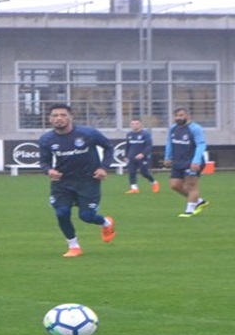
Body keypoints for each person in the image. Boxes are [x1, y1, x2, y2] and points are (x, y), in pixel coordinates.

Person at [37, 103, 117, 257]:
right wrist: (49, 170)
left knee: (86, 216)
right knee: (62, 212)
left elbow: (109, 147)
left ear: (71, 117)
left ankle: (106, 223)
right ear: (49, 119)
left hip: (88, 180)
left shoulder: (88, 133)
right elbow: (44, 161)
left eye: (63, 115)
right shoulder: (46, 139)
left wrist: (103, 167)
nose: (59, 118)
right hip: (62, 182)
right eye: (55, 115)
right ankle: (74, 246)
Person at [165, 108, 209, 217]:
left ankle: (189, 210)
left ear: (188, 116)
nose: (178, 118)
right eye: (176, 116)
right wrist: (168, 157)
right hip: (178, 161)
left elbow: (201, 145)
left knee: (191, 185)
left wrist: (196, 161)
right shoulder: (173, 128)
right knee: (175, 185)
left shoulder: (195, 129)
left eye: (181, 115)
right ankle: (199, 201)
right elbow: (169, 143)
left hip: (192, 161)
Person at [123, 118, 158, 194]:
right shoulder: (129, 134)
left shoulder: (145, 134)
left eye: (136, 123)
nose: (134, 125)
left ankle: (154, 182)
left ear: (140, 124)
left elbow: (149, 146)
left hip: (143, 157)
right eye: (132, 124)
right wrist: (126, 156)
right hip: (131, 157)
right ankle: (134, 188)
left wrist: (143, 154)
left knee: (144, 172)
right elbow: (127, 146)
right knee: (131, 172)